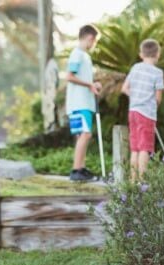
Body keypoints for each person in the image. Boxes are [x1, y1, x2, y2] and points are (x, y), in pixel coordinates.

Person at [121, 38, 164, 180]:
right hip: (147, 114)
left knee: (135, 148)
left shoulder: (135, 68)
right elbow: (158, 98)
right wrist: (152, 104)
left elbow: (124, 88)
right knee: (145, 148)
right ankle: (142, 182)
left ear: (141, 54)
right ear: (157, 54)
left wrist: (136, 98)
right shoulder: (157, 73)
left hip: (133, 111)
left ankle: (133, 181)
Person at [66, 24, 101, 182]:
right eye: (94, 42)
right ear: (90, 38)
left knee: (82, 135)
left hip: (84, 102)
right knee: (85, 134)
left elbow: (82, 78)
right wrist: (90, 85)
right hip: (79, 103)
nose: (93, 45)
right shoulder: (77, 54)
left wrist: (93, 84)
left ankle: (80, 168)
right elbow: (69, 76)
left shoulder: (84, 56)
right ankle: (76, 170)